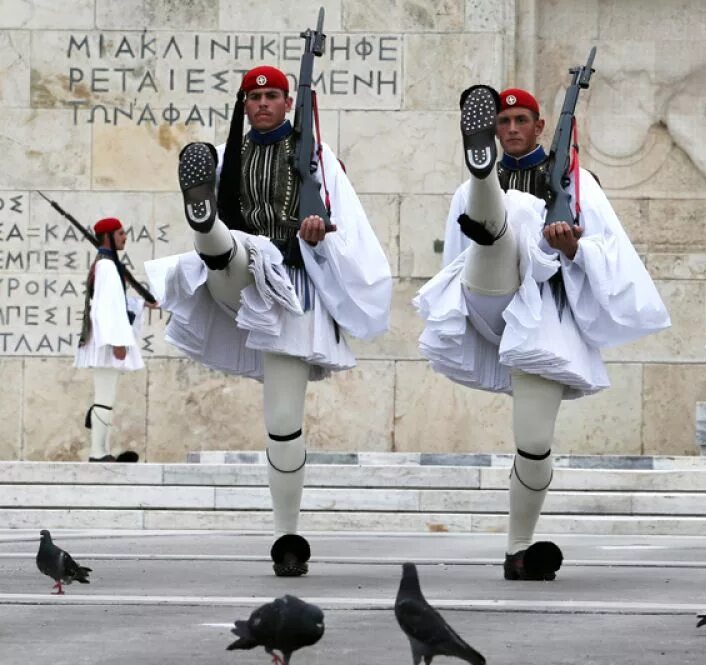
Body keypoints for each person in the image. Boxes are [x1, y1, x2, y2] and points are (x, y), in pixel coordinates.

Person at [415, 85, 670, 581]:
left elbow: (611, 251)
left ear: (539, 127)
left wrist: (572, 248)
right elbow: (454, 262)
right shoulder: (462, 195)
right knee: (495, 225)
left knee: (532, 441)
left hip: (544, 316)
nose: (511, 128)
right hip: (490, 295)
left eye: (520, 120)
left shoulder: (577, 184)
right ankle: (486, 181)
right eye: (502, 121)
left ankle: (518, 550)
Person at [155, 65, 392, 577]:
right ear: (245, 106)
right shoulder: (226, 159)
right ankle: (205, 224)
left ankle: (287, 537)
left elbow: (351, 234)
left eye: (272, 96)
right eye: (254, 97)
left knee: (283, 422)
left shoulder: (319, 160)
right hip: (239, 276)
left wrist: (319, 235)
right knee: (233, 250)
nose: (262, 104)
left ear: (289, 103)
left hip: (289, 289)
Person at [74, 217, 152, 463]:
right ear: (107, 236)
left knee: (105, 397)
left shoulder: (107, 264)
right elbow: (106, 308)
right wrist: (118, 342)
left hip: (105, 339)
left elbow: (117, 303)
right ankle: (98, 453)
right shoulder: (107, 266)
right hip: (107, 341)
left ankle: (101, 450)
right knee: (104, 398)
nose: (125, 237)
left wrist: (142, 303)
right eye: (120, 233)